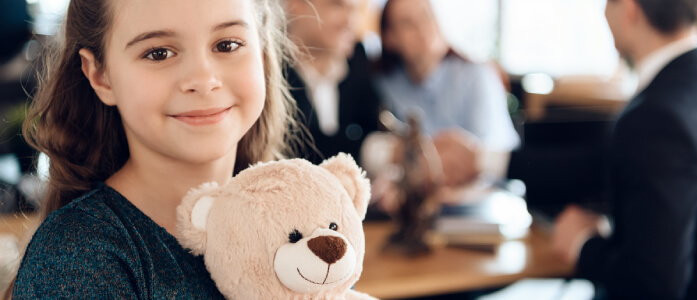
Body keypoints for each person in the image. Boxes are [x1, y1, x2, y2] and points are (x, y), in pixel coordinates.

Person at [10, 0, 297, 297]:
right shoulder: (76, 259)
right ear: (99, 74)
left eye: (227, 45)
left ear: (262, 53)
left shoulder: (303, 225)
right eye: (158, 53)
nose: (203, 80)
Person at [552, 0, 697, 299]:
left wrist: (583, 244)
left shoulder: (658, 115)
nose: (603, 12)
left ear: (630, 9)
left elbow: (650, 284)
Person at [367, 0, 520, 210]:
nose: (422, 27)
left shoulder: (478, 76)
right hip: (414, 206)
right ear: (390, 38)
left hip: (481, 204)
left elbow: (499, 153)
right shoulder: (383, 85)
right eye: (407, 23)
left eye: (426, 15)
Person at [284, 0, 382, 165]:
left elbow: (375, 123)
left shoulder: (357, 58)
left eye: (355, 9)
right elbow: (294, 150)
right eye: (337, 5)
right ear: (297, 5)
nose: (350, 21)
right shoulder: (267, 69)